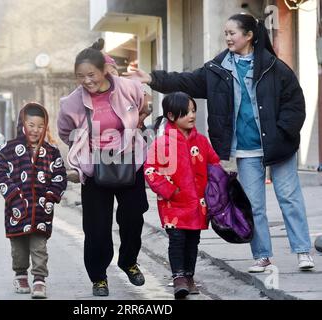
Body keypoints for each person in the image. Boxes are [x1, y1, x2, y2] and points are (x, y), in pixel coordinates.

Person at [125, 13, 315, 272]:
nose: (227, 37)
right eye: (225, 33)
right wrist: (153, 79)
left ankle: (303, 252)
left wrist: (284, 131)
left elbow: (295, 102)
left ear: (248, 36)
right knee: (253, 205)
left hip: (280, 145)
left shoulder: (274, 67)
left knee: (289, 198)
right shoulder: (217, 69)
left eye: (232, 33)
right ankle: (262, 255)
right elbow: (187, 80)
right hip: (246, 148)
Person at [57, 41, 149, 297]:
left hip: (129, 158)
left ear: (104, 71)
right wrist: (84, 149)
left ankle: (128, 261)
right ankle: (98, 277)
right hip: (95, 165)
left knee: (134, 215)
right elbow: (66, 131)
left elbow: (142, 105)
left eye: (91, 75)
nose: (86, 81)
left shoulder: (128, 88)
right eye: (80, 76)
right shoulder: (71, 103)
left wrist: (134, 128)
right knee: (96, 227)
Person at [144, 92, 220, 299]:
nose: (191, 115)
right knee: (177, 240)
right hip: (173, 205)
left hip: (198, 204)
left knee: (193, 241)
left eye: (193, 110)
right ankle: (178, 278)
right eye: (185, 112)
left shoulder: (202, 142)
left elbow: (214, 164)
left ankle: (189, 276)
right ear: (170, 115)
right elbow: (151, 170)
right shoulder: (162, 144)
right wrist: (171, 190)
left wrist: (219, 186)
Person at [0, 102, 67, 299]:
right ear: (22, 124)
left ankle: (40, 280)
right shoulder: (9, 149)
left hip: (42, 210)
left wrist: (51, 196)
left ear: (45, 127)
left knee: (39, 246)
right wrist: (13, 195)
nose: (35, 130)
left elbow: (59, 176)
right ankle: (20, 275)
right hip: (16, 210)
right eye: (31, 125)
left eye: (40, 126)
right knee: (18, 247)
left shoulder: (51, 152)